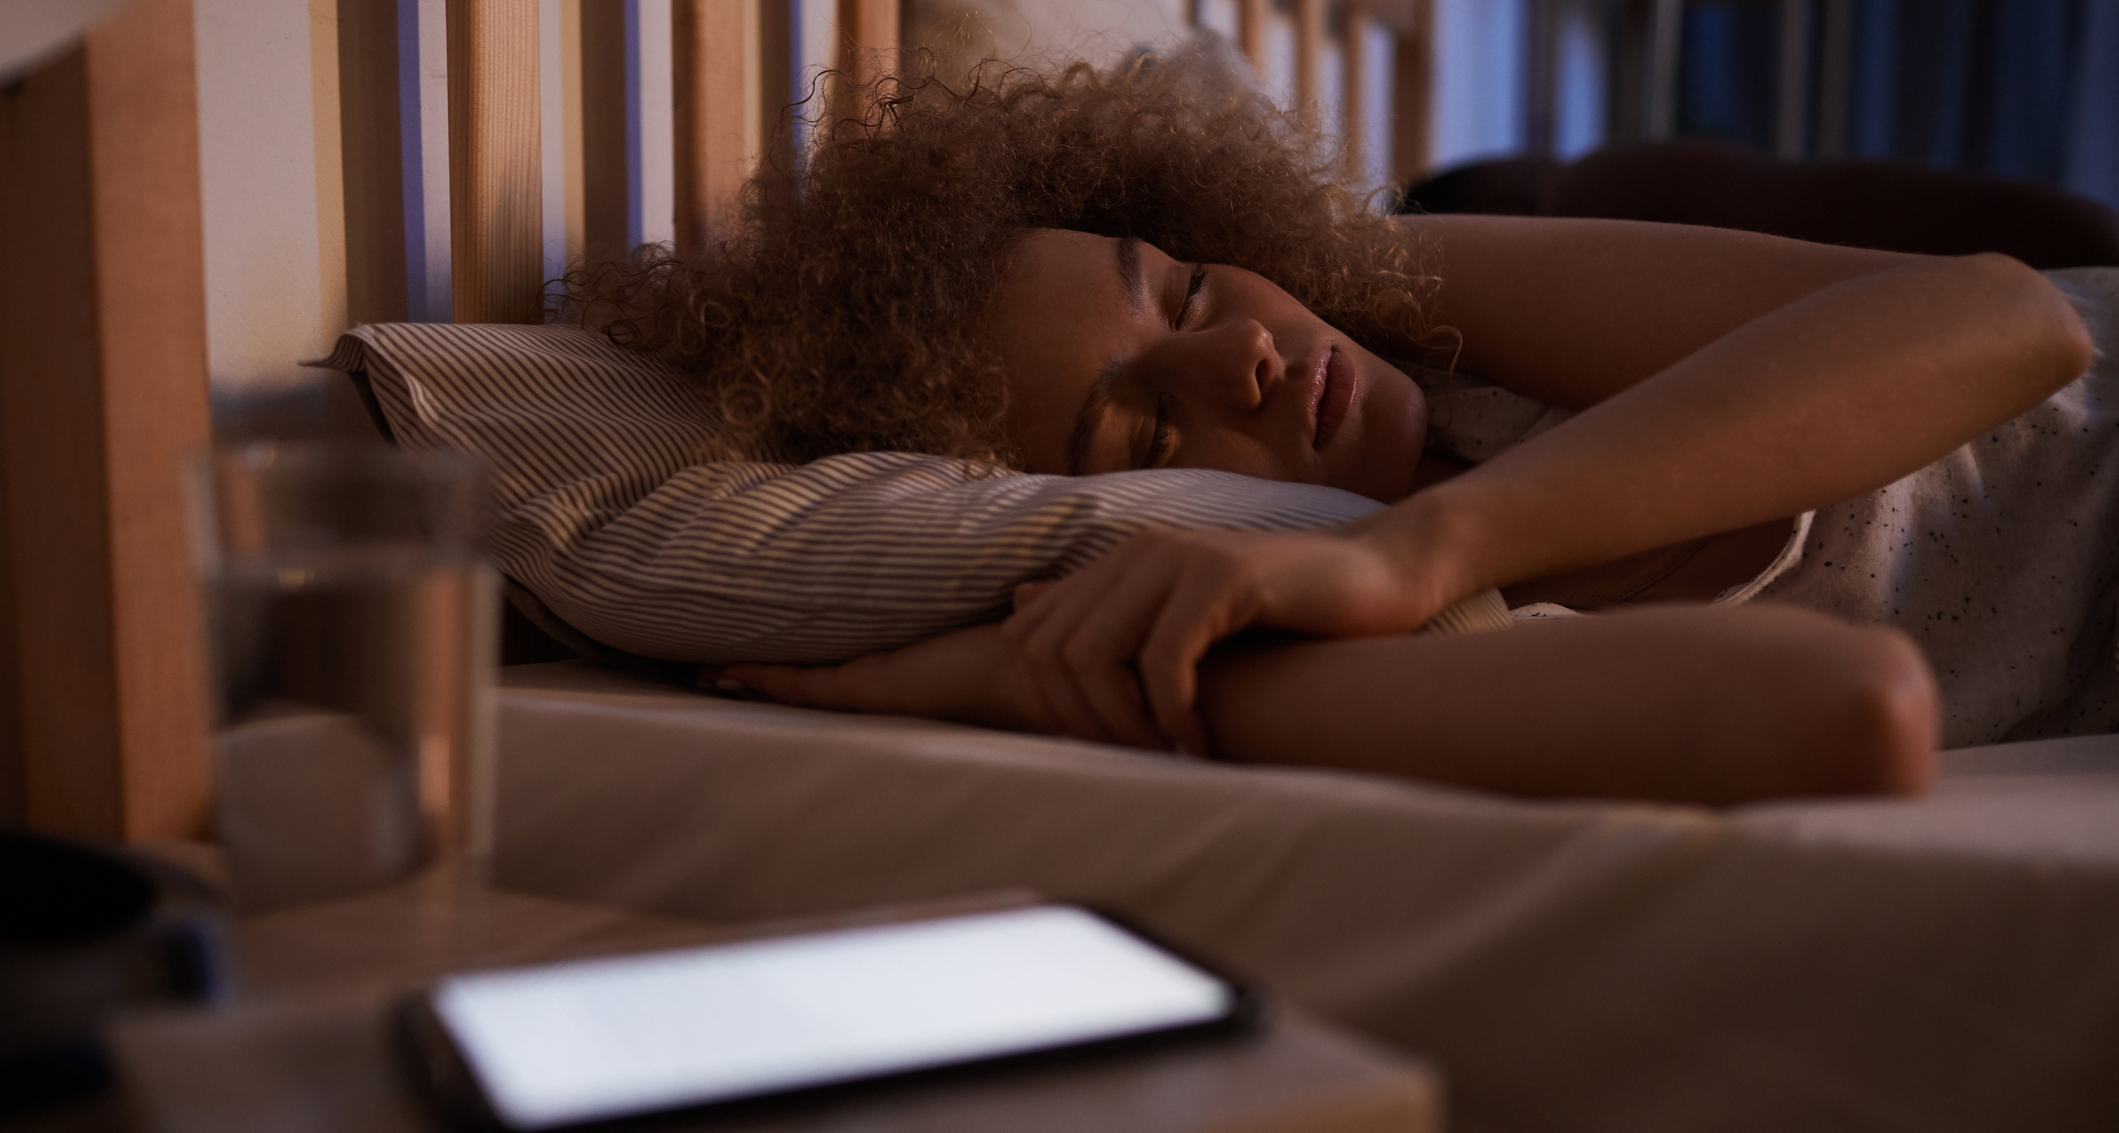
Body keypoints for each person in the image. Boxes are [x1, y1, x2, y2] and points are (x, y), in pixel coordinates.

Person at [572, 48, 2098, 804]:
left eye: (1174, 292)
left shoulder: (1378, 305)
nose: (1244, 353)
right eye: (1141, 441)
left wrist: (1434, 536)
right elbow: (1856, 715)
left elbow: (2016, 320)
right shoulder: (1356, 650)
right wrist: (1029, 681)